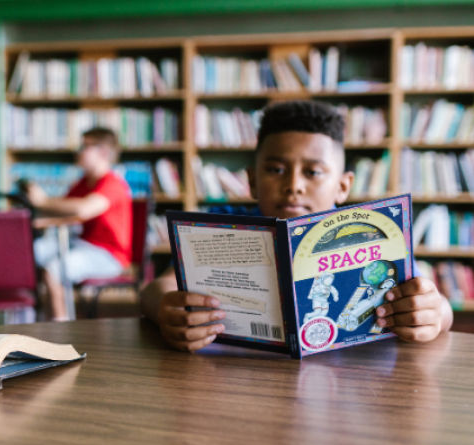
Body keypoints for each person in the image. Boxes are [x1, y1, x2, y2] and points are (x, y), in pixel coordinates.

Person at [140, 100, 453, 352]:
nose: (293, 185)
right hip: (239, 372)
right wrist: (167, 309)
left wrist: (434, 313)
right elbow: (157, 288)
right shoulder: (221, 225)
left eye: (313, 172)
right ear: (251, 181)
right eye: (276, 169)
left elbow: (438, 305)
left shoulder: (368, 232)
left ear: (343, 186)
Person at [23, 127, 132, 321]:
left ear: (104, 152)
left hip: (108, 255)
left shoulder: (113, 184)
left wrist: (42, 201)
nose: (79, 151)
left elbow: (83, 209)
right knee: (30, 251)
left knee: (54, 269)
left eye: (85, 146)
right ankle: (27, 317)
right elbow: (63, 210)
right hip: (82, 244)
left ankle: (60, 326)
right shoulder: (84, 182)